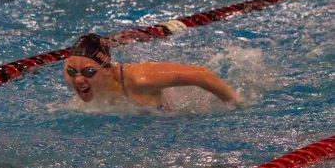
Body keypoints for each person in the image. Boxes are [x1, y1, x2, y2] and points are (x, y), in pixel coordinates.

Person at [63, 33, 241, 110]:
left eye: (88, 72)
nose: (78, 80)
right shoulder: (74, 77)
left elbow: (201, 74)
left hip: (182, 111)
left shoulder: (140, 80)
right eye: (72, 71)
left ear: (107, 70)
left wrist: (235, 105)